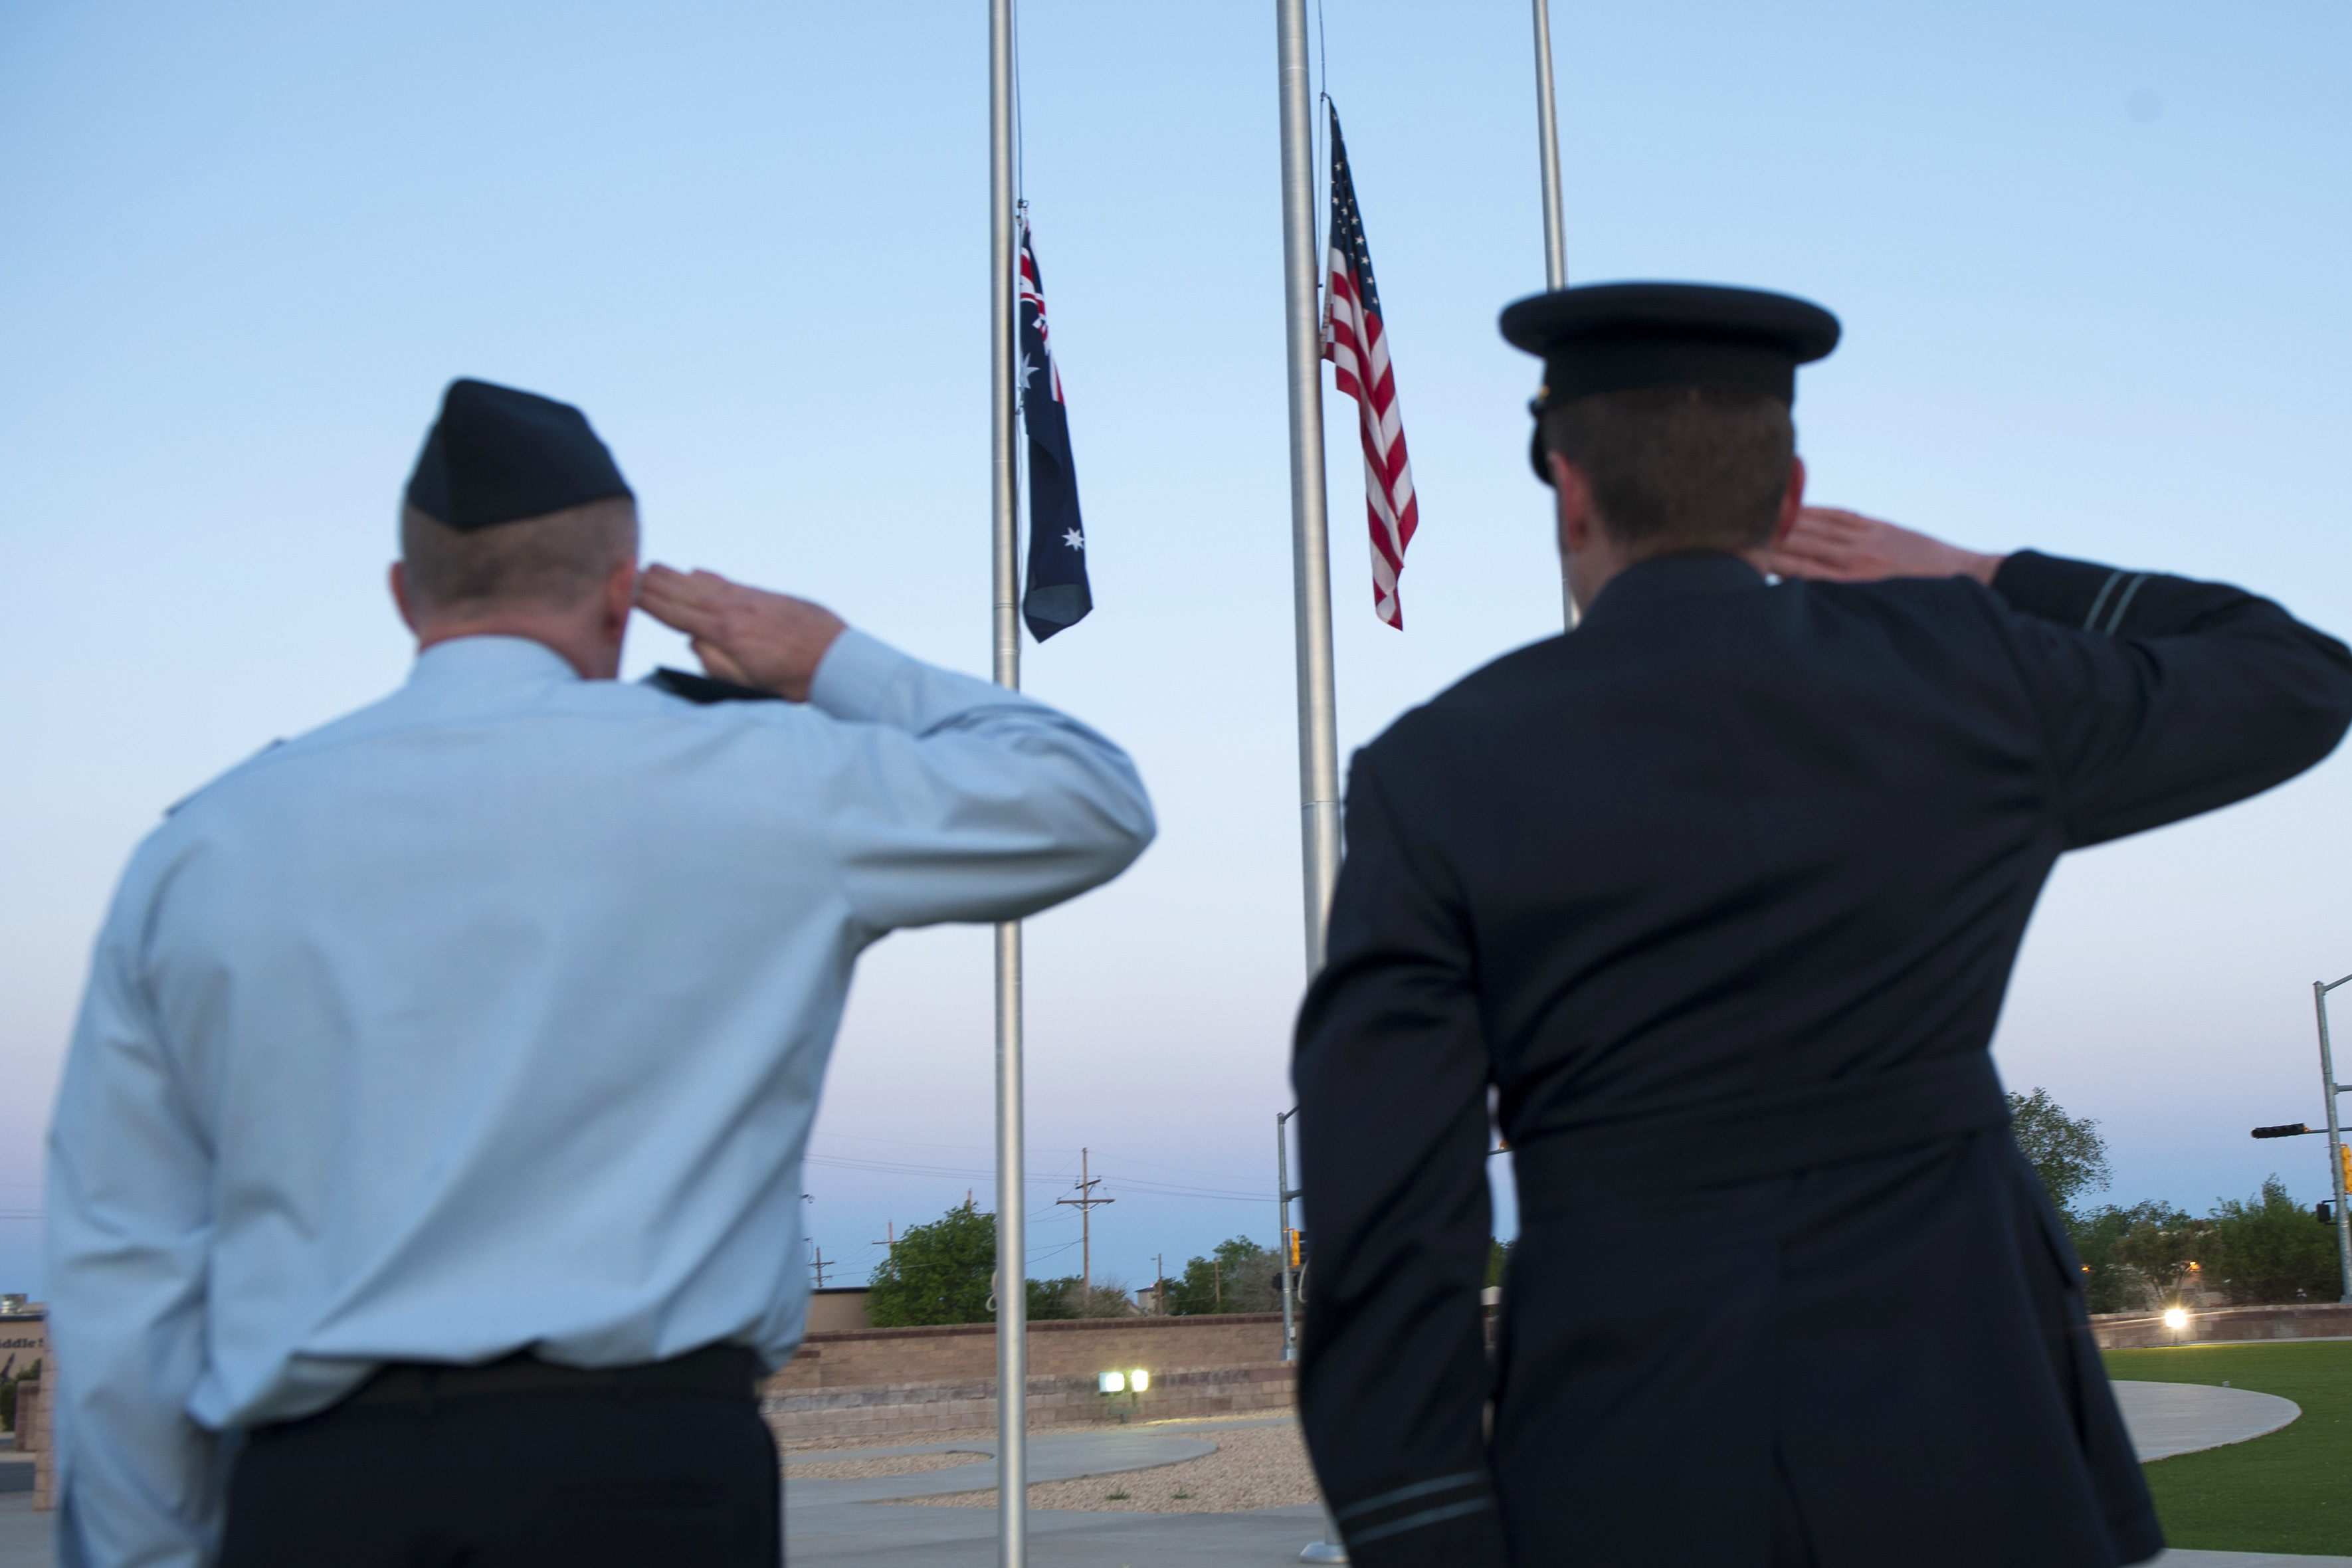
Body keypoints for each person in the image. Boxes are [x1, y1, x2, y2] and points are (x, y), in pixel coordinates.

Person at [1291, 282, 2352, 1567]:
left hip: (1621, 1441)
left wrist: (1429, 1534)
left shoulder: (1436, 767)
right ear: (1791, 497)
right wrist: (1985, 573)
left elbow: (1386, 1205)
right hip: (1979, 1427)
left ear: (1569, 487)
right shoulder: (1972, 671)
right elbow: (2296, 676)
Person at [46, 377, 1155, 1567]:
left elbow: (125, 1263)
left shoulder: (209, 843)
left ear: (404, 594)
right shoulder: (763, 781)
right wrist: (827, 655)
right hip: (645, 1481)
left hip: (320, 1493)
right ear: (627, 595)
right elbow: (1087, 797)